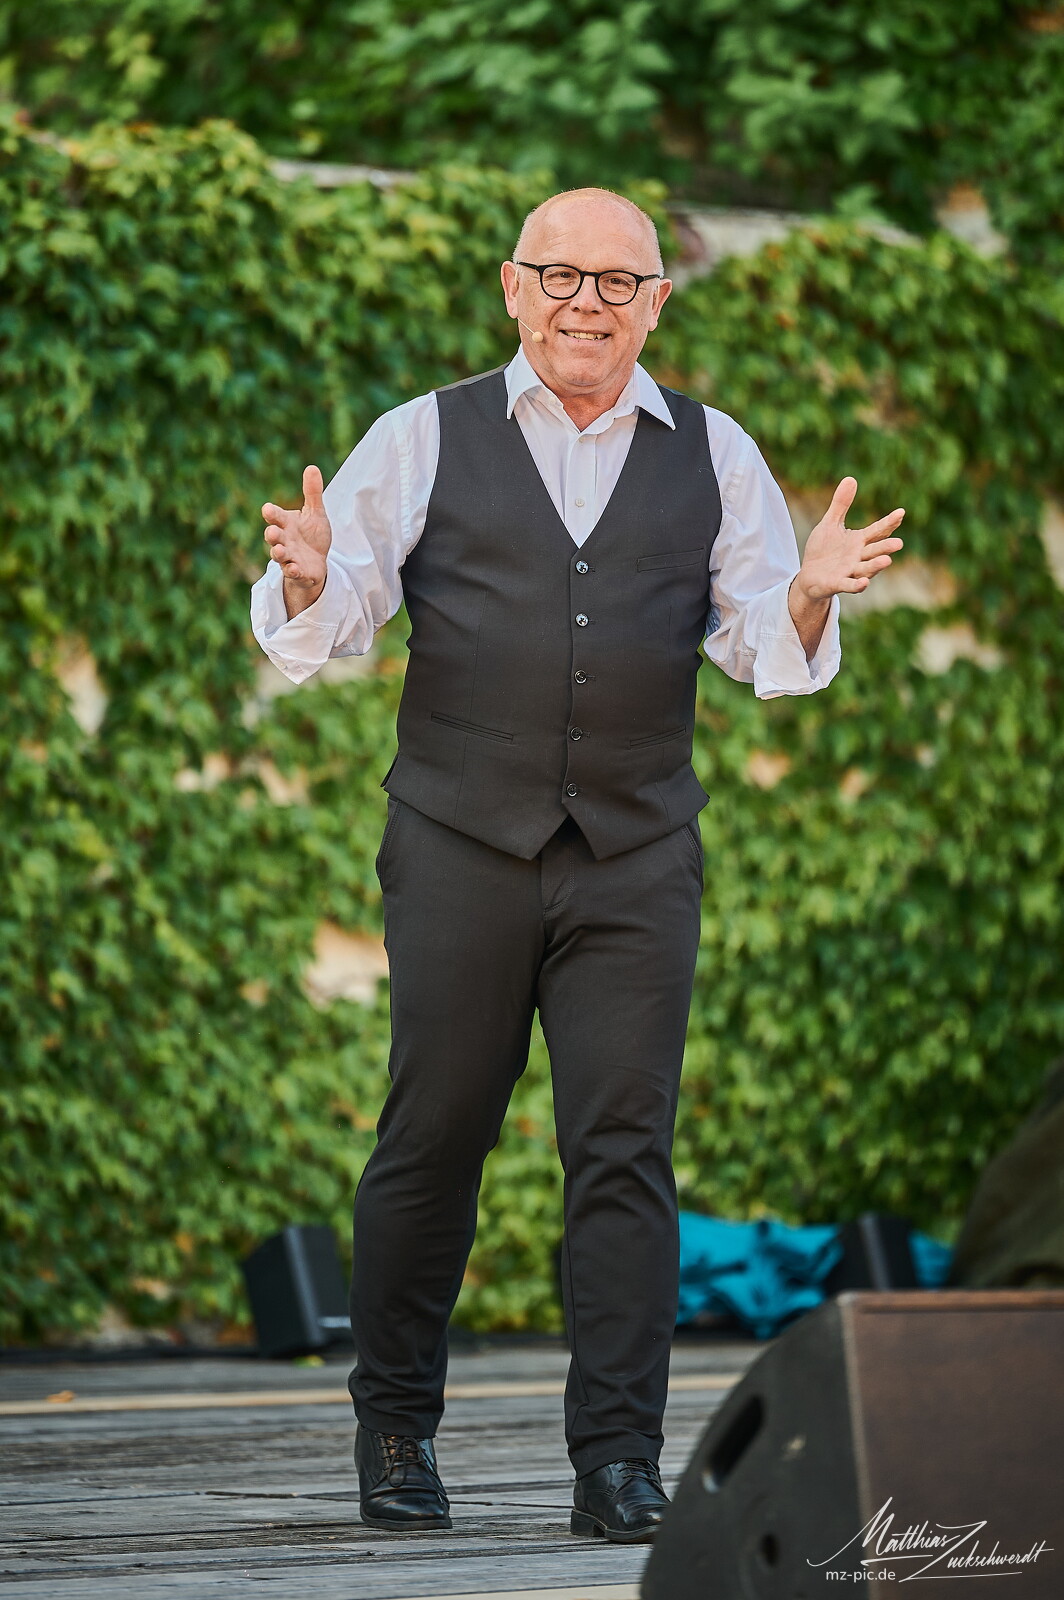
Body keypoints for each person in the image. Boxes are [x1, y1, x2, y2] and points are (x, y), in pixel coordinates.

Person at [251, 187, 904, 1543]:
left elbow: (760, 650)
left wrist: (805, 594)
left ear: (656, 304)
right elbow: (335, 621)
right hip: (460, 843)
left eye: (617, 281)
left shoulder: (715, 451)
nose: (585, 302)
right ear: (514, 288)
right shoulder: (423, 435)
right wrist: (312, 576)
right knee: (434, 1137)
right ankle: (395, 1430)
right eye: (559, 274)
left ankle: (617, 1461)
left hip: (635, 853)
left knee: (624, 1151)